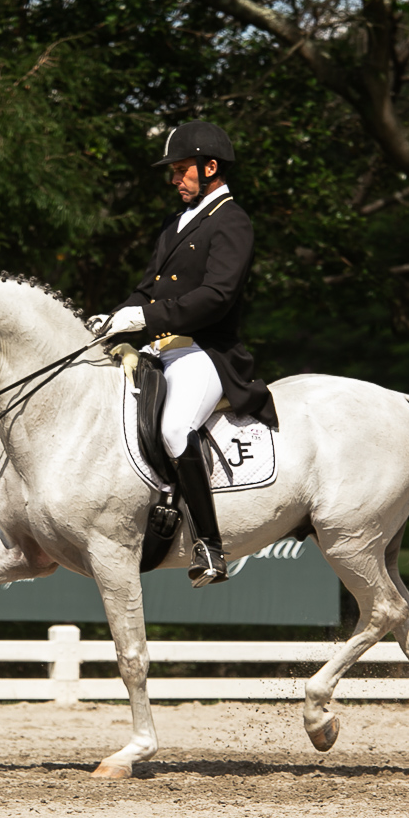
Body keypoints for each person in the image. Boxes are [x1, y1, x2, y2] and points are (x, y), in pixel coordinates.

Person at [86, 121, 278, 587]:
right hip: (159, 351)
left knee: (175, 426)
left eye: (180, 170)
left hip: (206, 352)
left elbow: (217, 295)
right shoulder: (176, 225)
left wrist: (145, 320)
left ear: (209, 167)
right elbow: (148, 289)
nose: (174, 180)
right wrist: (114, 320)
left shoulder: (233, 221)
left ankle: (208, 546)